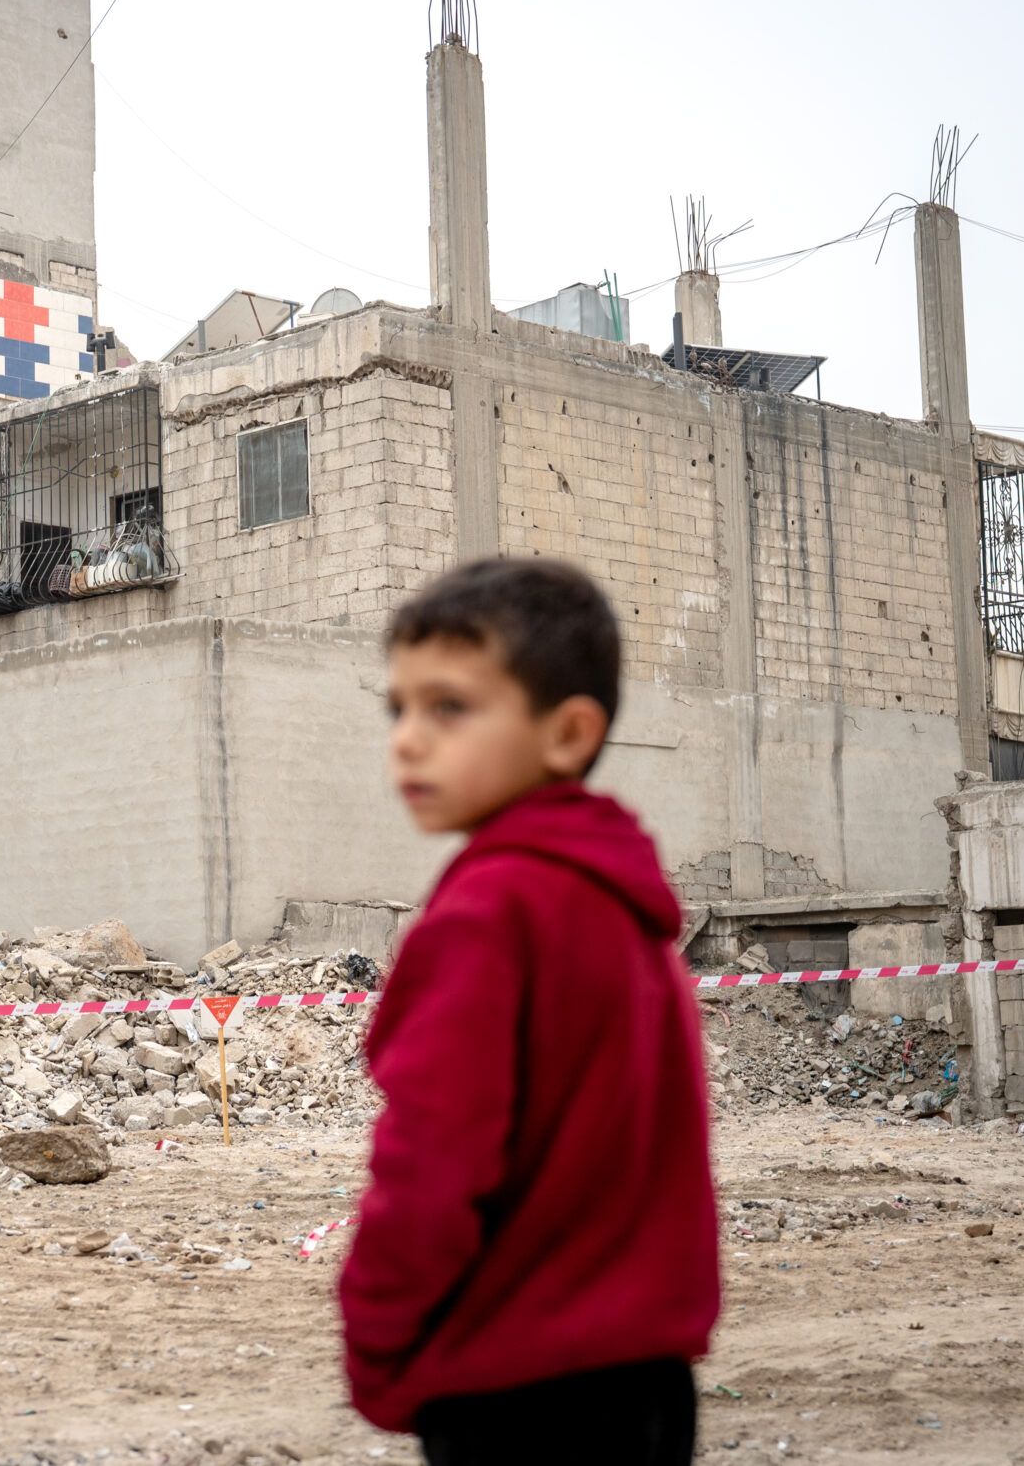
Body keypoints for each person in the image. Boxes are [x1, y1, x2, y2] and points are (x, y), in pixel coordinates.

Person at [338, 558, 720, 1465]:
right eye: (398, 708)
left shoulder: (483, 915)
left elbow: (431, 1163)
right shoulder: (627, 907)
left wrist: (376, 1343)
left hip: (514, 1391)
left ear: (567, 732)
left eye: (449, 707)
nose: (408, 740)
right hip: (648, 1382)